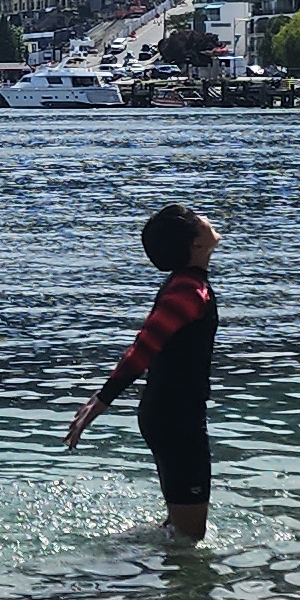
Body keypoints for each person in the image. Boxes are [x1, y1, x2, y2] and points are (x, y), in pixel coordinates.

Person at [63, 203, 220, 537]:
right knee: (190, 537)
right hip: (176, 419)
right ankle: (122, 569)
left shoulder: (185, 285)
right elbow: (144, 349)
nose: (206, 218)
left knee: (180, 526)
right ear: (195, 244)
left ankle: (130, 561)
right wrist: (100, 402)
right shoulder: (189, 292)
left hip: (172, 414)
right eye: (197, 218)